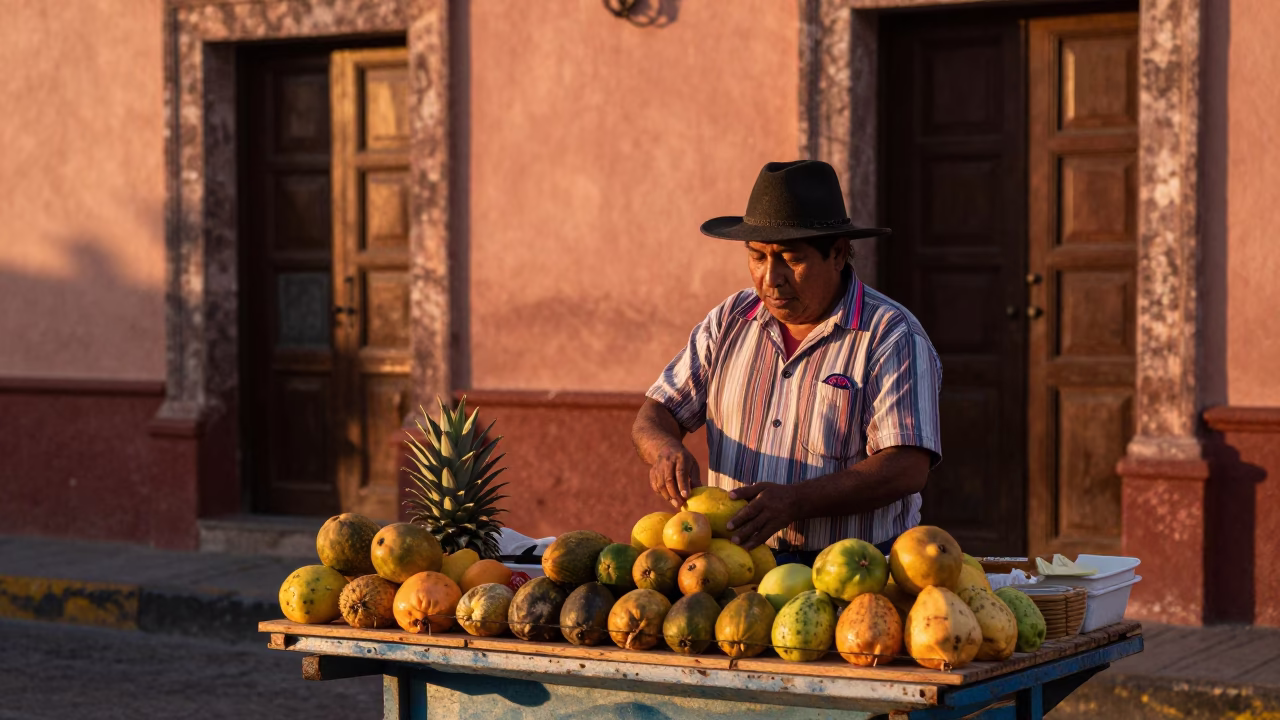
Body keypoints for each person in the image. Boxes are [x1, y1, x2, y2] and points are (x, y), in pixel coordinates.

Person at [631, 160, 943, 564]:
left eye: (790, 259)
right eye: (757, 257)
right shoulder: (729, 320)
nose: (770, 278)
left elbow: (906, 466)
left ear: (837, 253)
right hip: (737, 567)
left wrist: (797, 501)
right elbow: (655, 412)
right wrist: (664, 450)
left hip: (856, 569)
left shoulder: (891, 334)